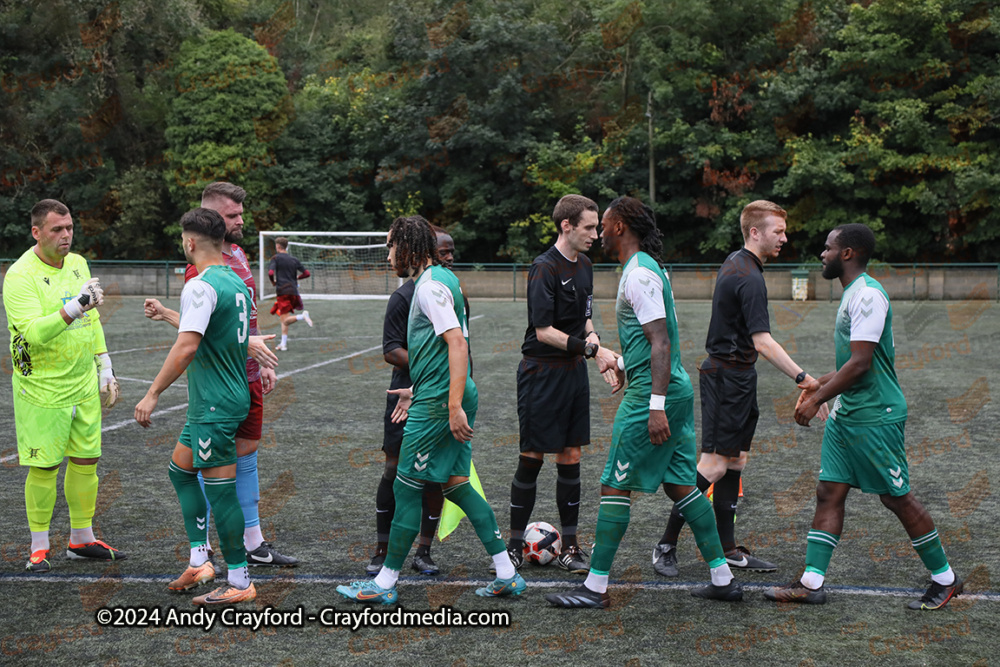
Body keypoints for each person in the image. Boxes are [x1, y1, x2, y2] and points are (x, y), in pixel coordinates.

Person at [547, 196, 741, 608]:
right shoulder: (644, 270)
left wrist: (654, 404)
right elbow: (648, 342)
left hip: (656, 395)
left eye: (605, 224)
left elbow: (660, 341)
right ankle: (723, 579)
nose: (599, 232)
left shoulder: (638, 274)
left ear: (620, 227)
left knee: (614, 485)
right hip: (666, 387)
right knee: (681, 485)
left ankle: (594, 588)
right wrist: (621, 362)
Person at [765, 223, 962, 610]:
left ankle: (946, 578)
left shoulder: (869, 295)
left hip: (876, 416)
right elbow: (848, 364)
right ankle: (811, 582)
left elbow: (861, 365)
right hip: (847, 416)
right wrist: (817, 384)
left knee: (896, 499)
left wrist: (815, 398)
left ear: (848, 253)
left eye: (828, 248)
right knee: (829, 492)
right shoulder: (854, 292)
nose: (822, 254)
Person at [338, 216, 524, 604]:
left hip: (441, 402)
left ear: (407, 247)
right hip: (440, 393)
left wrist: (450, 404)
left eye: (391, 246)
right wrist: (418, 389)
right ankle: (506, 572)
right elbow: (440, 349)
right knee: (457, 483)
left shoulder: (428, 287)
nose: (388, 255)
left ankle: (385, 583)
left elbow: (456, 344)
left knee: (406, 488)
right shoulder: (443, 278)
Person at [653, 200, 821, 577]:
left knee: (736, 462)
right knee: (712, 466)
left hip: (739, 376)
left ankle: (728, 549)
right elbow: (763, 342)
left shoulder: (739, 262)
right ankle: (665, 543)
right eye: (778, 231)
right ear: (755, 232)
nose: (784, 237)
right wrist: (804, 378)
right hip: (726, 378)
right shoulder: (748, 276)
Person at [143, 182, 297, 573]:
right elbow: (203, 330)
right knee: (209, 470)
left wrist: (260, 359)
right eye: (232, 215)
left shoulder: (237, 258)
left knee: (238, 462)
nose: (240, 220)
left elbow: (233, 321)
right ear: (212, 217)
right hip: (224, 381)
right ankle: (217, 554)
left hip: (234, 383)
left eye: (241, 214)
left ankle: (245, 552)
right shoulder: (202, 272)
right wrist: (247, 347)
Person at [135, 207, 256, 605]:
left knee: (221, 492)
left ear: (189, 242)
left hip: (215, 404)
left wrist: (152, 393)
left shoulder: (201, 286)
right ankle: (200, 558)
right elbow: (210, 334)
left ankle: (240, 582)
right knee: (181, 472)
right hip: (225, 396)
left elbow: (188, 346)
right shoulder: (236, 282)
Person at [5, 199, 125, 573]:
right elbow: (35, 333)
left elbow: (92, 318)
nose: (66, 235)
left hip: (82, 384)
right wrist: (76, 305)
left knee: (87, 461)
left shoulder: (78, 263)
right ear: (37, 232)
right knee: (44, 467)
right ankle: (39, 547)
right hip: (41, 390)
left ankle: (81, 539)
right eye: (57, 229)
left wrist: (104, 363)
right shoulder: (19, 275)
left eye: (70, 227)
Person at [505, 194, 618, 574]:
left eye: (597, 226)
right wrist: (592, 351)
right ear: (566, 226)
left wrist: (599, 348)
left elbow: (585, 320)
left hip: (573, 373)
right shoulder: (543, 268)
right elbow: (543, 331)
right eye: (589, 227)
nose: (596, 234)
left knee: (571, 458)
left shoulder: (585, 265)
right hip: (541, 373)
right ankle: (514, 547)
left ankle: (570, 548)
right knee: (533, 458)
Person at [366, 229, 457, 577]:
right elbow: (391, 350)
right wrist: (431, 369)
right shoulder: (404, 296)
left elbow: (459, 345)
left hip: (441, 394)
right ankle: (383, 548)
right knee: (394, 470)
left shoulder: (450, 291)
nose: (448, 258)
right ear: (426, 251)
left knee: (435, 476)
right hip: (404, 394)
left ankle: (424, 549)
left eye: (451, 252)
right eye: (442, 251)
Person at [267, 236, 313, 351]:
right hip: (293, 291)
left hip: (283, 291)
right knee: (284, 316)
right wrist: (297, 277)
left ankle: (302, 316)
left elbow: (271, 272)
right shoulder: (294, 259)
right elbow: (307, 273)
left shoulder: (276, 258)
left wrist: (273, 282)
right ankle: (283, 344)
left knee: (285, 320)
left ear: (278, 246)